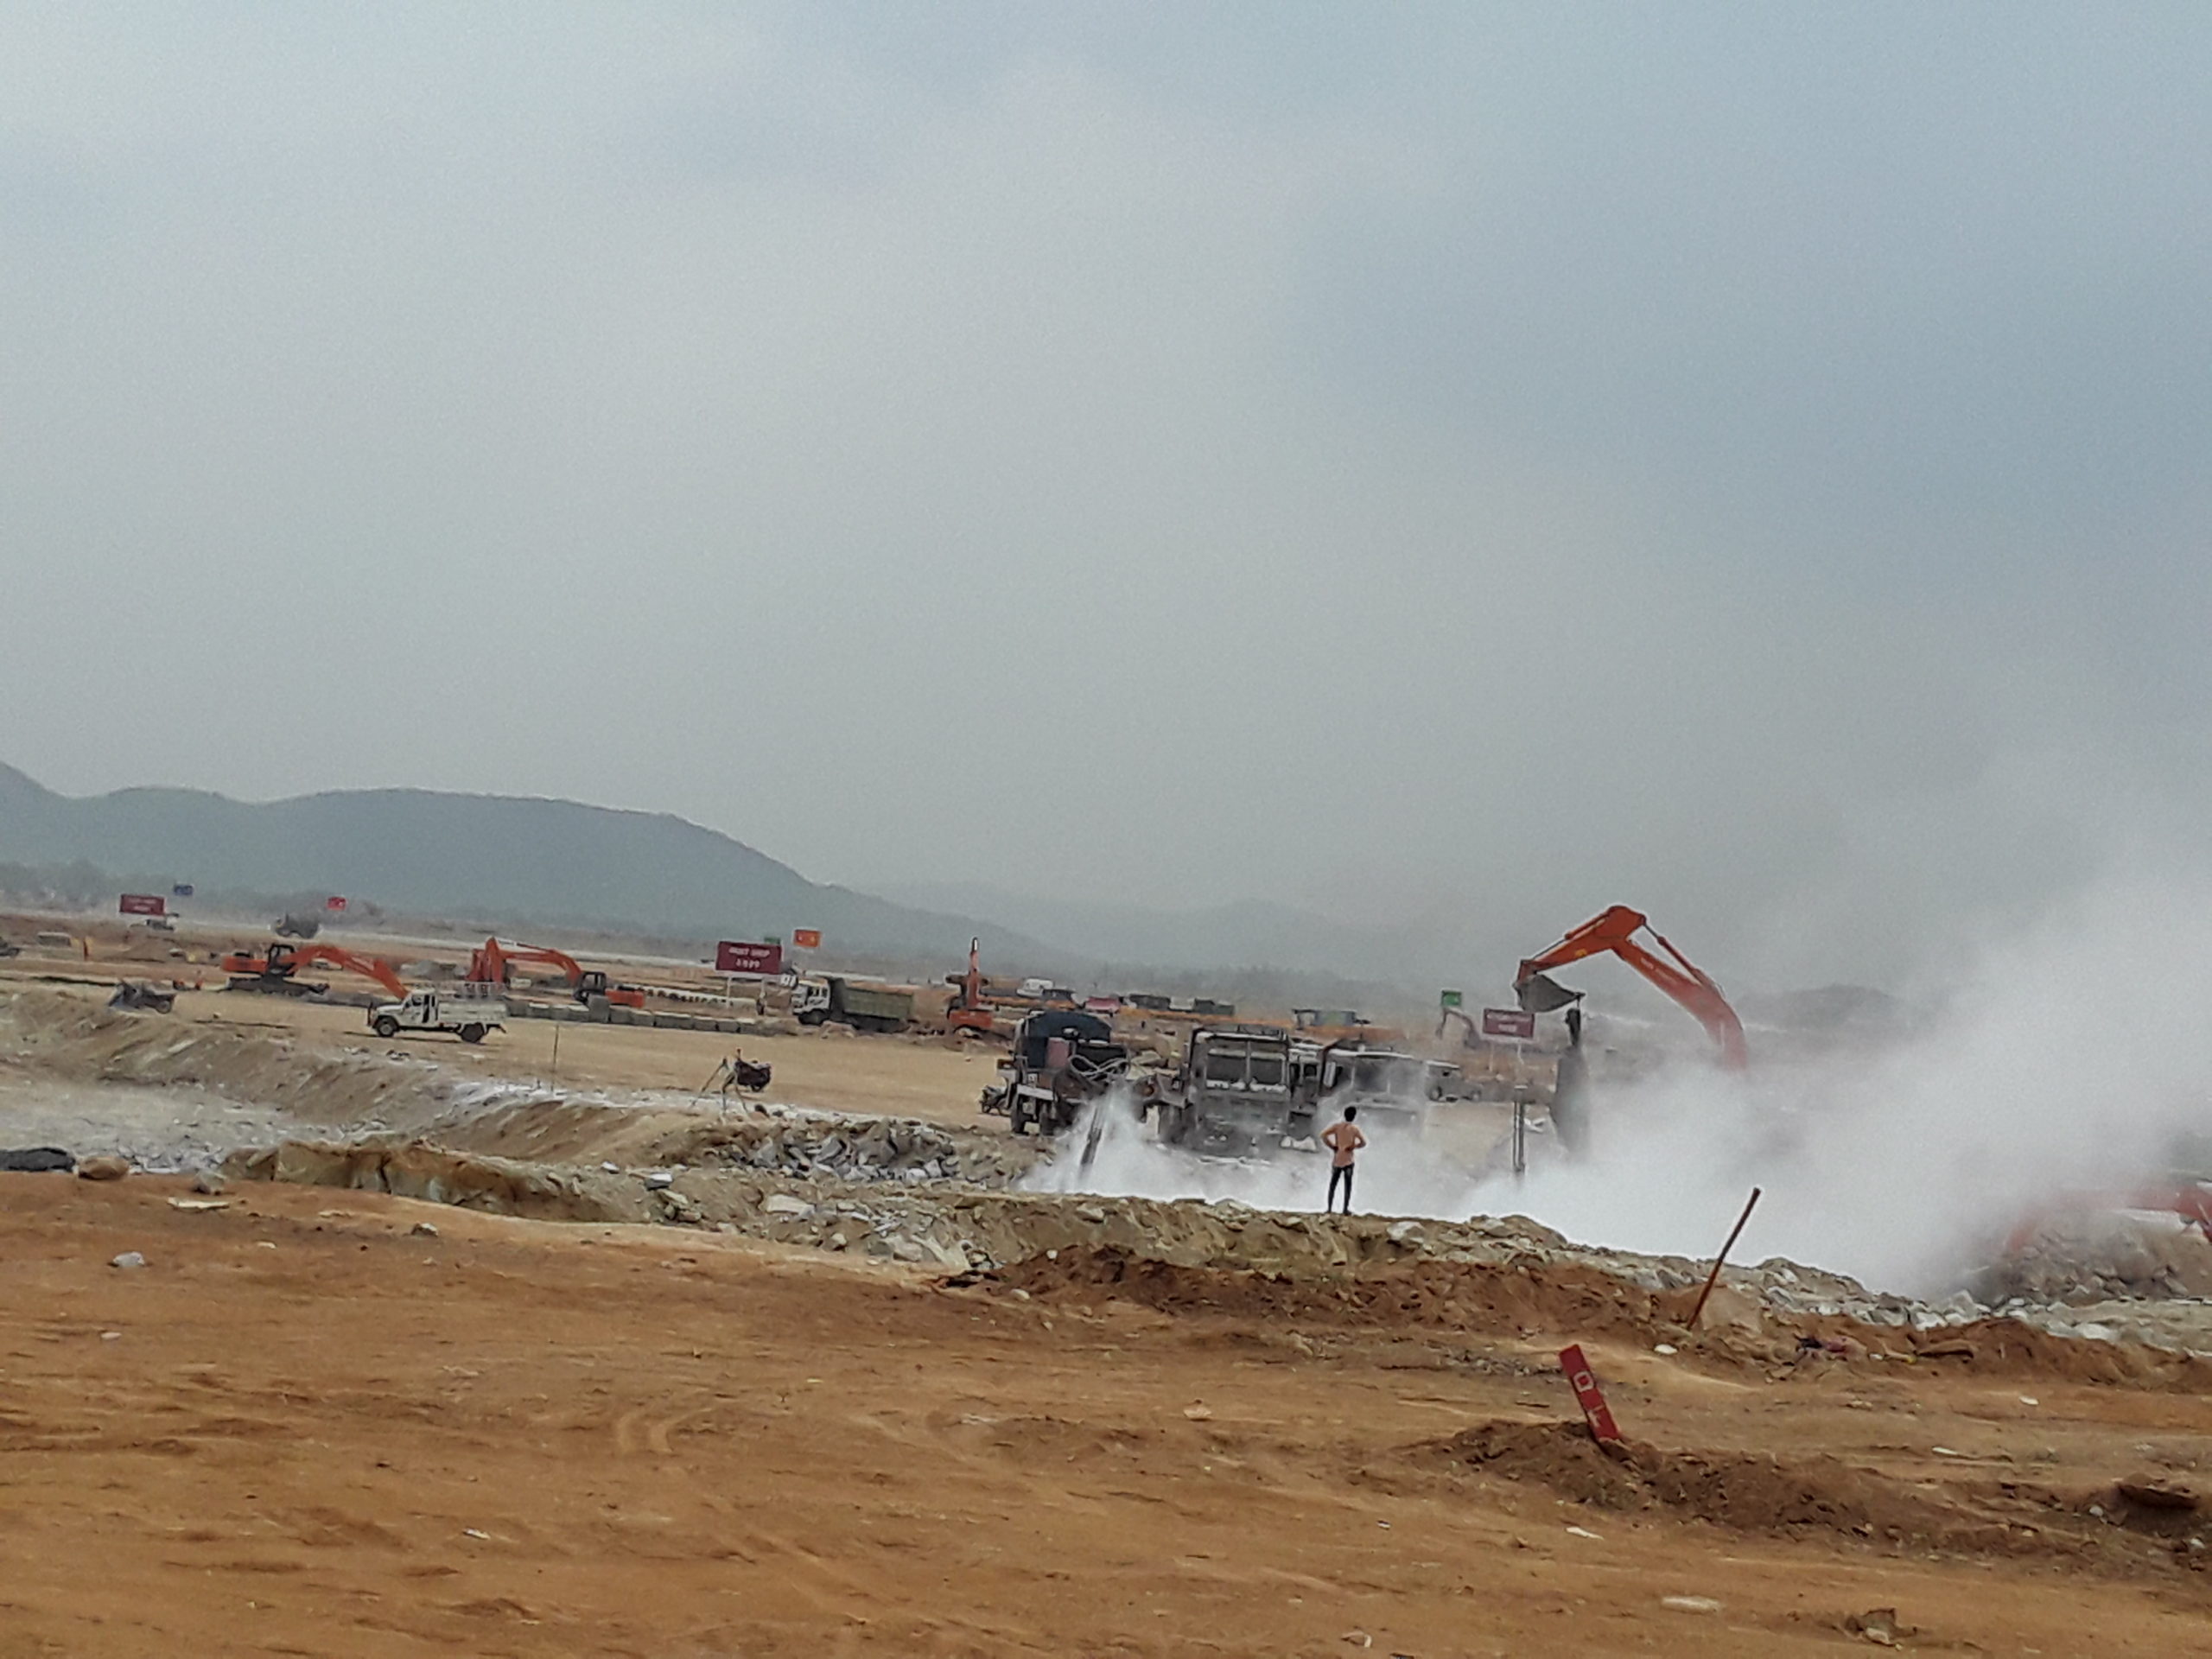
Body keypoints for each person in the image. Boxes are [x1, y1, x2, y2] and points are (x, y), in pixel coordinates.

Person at [1321, 1105, 1366, 1214]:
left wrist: (1332, 1146)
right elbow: (1363, 1143)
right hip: (1349, 1160)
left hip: (1337, 1159)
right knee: (1348, 1185)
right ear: (1354, 1117)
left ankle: (1329, 1208)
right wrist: (1353, 1147)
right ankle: (1345, 1209)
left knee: (1333, 1184)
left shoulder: (1337, 1127)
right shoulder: (1354, 1129)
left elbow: (1323, 1135)